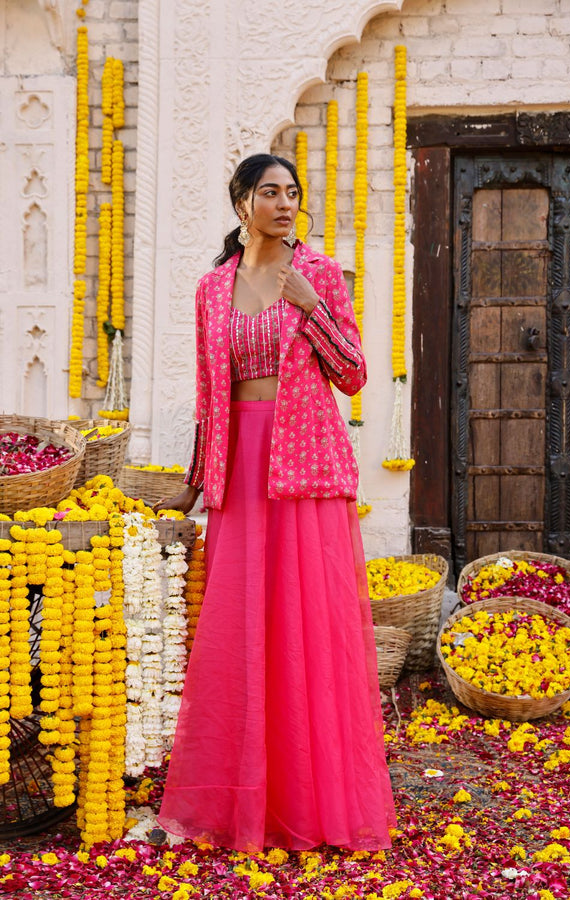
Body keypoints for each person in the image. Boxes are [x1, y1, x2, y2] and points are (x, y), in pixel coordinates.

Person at [157, 153, 396, 851]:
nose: (285, 204)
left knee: (308, 634)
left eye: (293, 193)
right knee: (241, 633)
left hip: (304, 466)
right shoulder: (212, 289)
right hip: (241, 469)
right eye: (270, 192)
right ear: (241, 205)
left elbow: (352, 374)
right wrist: (195, 480)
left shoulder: (318, 274)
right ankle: (239, 803)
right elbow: (211, 395)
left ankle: (313, 802)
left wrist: (311, 306)